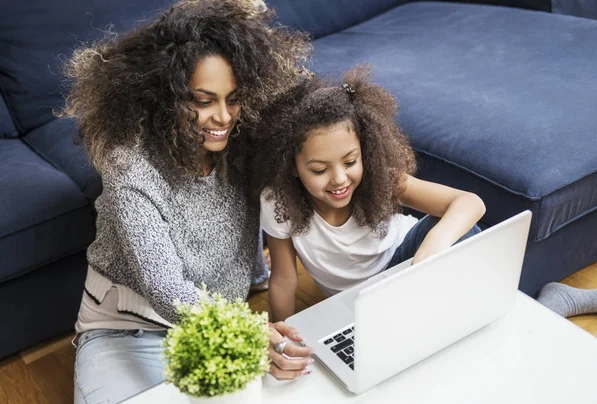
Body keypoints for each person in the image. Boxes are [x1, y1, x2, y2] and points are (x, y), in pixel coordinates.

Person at [61, 1, 314, 402]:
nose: (223, 116)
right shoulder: (129, 163)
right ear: (163, 97)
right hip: (129, 330)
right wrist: (247, 332)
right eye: (202, 101)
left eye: (233, 98)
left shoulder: (245, 142)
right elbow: (165, 286)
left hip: (219, 325)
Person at [251, 66, 487, 323]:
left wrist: (435, 245)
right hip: (358, 304)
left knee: (458, 231)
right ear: (292, 167)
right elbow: (284, 279)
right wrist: (281, 335)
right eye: (319, 170)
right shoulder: (278, 202)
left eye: (350, 162)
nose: (340, 178)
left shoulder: (382, 178)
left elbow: (470, 203)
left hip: (404, 260)